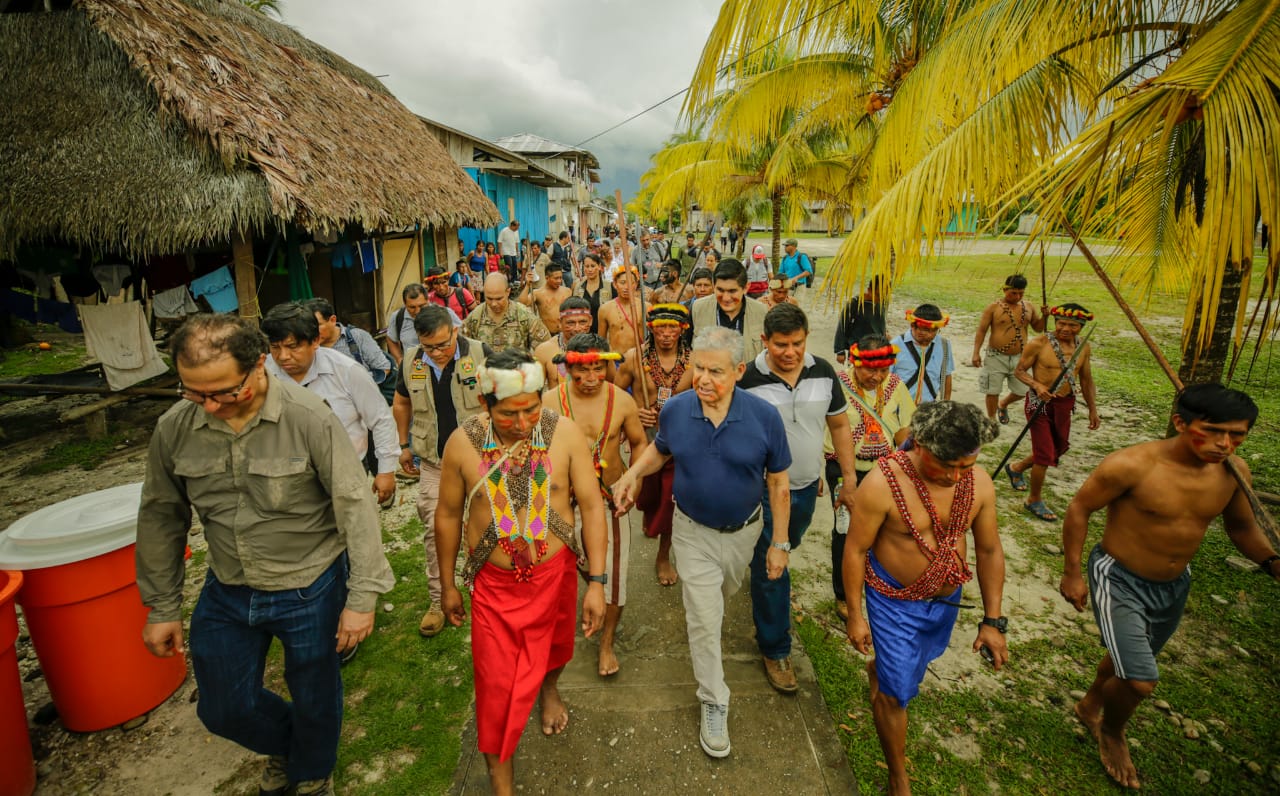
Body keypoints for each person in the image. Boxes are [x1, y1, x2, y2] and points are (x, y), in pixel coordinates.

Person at [137, 314, 394, 796]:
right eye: (194, 393)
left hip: (310, 585)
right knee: (222, 708)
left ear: (258, 367)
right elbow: (160, 516)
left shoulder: (308, 417)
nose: (210, 406)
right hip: (228, 587)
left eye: (223, 393)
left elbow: (354, 506)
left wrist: (362, 598)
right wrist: (162, 605)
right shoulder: (175, 428)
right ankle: (294, 746)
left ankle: (311, 772)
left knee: (316, 692)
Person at [1059, 384, 1276, 790]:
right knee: (1140, 680)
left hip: (1175, 583)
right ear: (1181, 422)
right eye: (1212, 431)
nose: (1224, 444)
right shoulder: (1131, 465)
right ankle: (1112, 731)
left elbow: (1241, 527)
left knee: (1127, 658)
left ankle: (1089, 705)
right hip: (1118, 576)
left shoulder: (1234, 472)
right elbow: (1080, 508)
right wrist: (1072, 571)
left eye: (1237, 435)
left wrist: (1270, 561)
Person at [434, 349, 607, 796]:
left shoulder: (563, 433)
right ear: (485, 405)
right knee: (493, 681)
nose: (524, 421)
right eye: (509, 413)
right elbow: (449, 515)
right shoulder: (462, 443)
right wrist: (448, 585)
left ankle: (549, 690)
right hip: (493, 588)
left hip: (554, 575)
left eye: (532, 408)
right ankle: (500, 776)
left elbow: (590, 505)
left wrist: (599, 583)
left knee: (555, 646)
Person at [613, 327, 792, 759]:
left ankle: (710, 625)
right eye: (698, 368)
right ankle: (714, 699)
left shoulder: (764, 418)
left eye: (716, 371)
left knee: (722, 596)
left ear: (739, 371)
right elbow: (661, 451)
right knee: (704, 619)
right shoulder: (675, 410)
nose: (704, 379)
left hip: (744, 533)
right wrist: (632, 474)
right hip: (691, 532)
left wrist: (779, 542)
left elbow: (779, 483)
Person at [844, 401, 1006, 796]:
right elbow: (855, 550)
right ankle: (898, 778)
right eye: (945, 465)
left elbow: (988, 550)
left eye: (964, 466)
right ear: (919, 445)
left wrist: (993, 620)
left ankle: (882, 674)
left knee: (909, 671)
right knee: (899, 693)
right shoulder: (883, 484)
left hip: (945, 603)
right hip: (894, 602)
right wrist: (855, 615)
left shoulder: (979, 483)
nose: (954, 476)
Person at [739, 304, 858, 693]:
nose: (790, 352)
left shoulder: (823, 371)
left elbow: (838, 425)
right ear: (764, 341)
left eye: (797, 343)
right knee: (774, 562)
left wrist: (849, 478)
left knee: (782, 550)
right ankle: (775, 647)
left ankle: (762, 577)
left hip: (806, 487)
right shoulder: (748, 378)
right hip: (761, 489)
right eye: (781, 345)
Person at [392, 306, 494, 638]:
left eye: (442, 344)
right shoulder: (412, 361)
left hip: (480, 460)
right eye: (429, 346)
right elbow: (402, 403)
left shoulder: (479, 353)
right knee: (435, 531)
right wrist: (404, 444)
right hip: (434, 463)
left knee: (489, 526)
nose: (436, 353)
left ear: (454, 330)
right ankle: (439, 599)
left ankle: (488, 594)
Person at [551, 334, 647, 676]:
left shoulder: (622, 401)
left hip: (610, 501)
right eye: (582, 371)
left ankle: (606, 643)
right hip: (562, 504)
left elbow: (639, 443)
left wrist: (632, 481)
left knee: (613, 576)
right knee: (563, 571)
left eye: (598, 369)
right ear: (567, 368)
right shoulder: (549, 402)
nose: (591, 379)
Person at [262, 302, 398, 513]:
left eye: (292, 346)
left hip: (346, 470)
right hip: (287, 473)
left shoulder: (347, 371)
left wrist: (386, 471)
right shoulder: (262, 374)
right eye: (275, 347)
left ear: (315, 341)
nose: (283, 356)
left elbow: (381, 419)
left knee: (349, 531)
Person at [616, 303, 694, 586]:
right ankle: (652, 519)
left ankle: (663, 554)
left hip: (679, 444)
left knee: (670, 501)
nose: (665, 334)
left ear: (682, 329)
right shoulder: (634, 358)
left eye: (672, 327)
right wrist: (635, 408)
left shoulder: (694, 362)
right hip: (645, 441)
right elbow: (615, 392)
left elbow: (706, 400)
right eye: (660, 327)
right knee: (648, 496)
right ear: (651, 329)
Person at [1005, 303, 1100, 522]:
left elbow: (1086, 379)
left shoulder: (1083, 348)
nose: (1065, 328)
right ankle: (1033, 499)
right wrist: (1037, 385)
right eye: (1061, 323)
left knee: (1058, 448)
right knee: (1045, 455)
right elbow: (1019, 371)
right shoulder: (1039, 343)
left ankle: (1016, 468)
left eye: (1072, 325)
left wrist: (1093, 410)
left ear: (1081, 326)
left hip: (1064, 404)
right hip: (1038, 404)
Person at [972, 274, 1048, 423]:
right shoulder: (993, 308)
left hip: (1020, 357)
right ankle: (992, 420)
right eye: (1014, 293)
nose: (1017, 296)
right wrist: (976, 353)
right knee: (992, 391)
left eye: (1021, 293)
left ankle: (1004, 404)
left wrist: (1045, 317)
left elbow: (1038, 329)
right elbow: (981, 330)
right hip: (995, 356)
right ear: (1005, 290)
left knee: (1022, 390)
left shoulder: (1029, 307)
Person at [689, 259, 767, 362]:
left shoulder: (761, 312)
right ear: (713, 285)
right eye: (720, 290)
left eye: (732, 291)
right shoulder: (698, 308)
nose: (726, 298)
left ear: (746, 288)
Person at [306, 298, 391, 388]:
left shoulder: (357, 336)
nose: (313, 331)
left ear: (333, 320)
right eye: (309, 326)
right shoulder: (306, 345)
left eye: (318, 325)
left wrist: (355, 384)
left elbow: (383, 368)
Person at [463, 273, 551, 352]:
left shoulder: (523, 315)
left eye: (499, 299)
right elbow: (461, 349)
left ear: (508, 292)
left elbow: (547, 348)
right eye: (489, 298)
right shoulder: (475, 317)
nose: (493, 304)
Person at [891, 304, 955, 405]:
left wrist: (946, 404)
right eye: (924, 331)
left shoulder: (944, 346)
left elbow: (946, 375)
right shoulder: (895, 345)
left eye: (933, 331)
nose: (929, 335)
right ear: (913, 326)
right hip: (898, 407)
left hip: (928, 408)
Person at [533, 297, 596, 390]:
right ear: (560, 322)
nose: (577, 328)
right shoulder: (544, 351)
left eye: (583, 322)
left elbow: (611, 389)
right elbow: (535, 390)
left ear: (590, 321)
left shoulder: (601, 349)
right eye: (570, 323)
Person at [833, 278, 887, 365]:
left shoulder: (881, 304)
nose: (880, 298)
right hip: (858, 349)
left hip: (876, 349)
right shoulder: (855, 304)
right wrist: (840, 351)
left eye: (884, 295)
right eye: (877, 294)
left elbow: (881, 324)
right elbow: (842, 326)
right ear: (869, 290)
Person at [597, 266, 647, 357]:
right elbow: (601, 341)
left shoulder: (646, 306)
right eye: (622, 283)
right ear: (615, 284)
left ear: (636, 284)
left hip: (640, 359)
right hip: (617, 361)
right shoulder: (605, 309)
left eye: (631, 283)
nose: (626, 287)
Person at [518, 262, 572, 335]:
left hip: (566, 333)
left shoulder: (567, 291)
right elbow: (522, 303)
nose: (559, 281)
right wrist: (527, 285)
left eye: (560, 278)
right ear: (547, 278)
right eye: (556, 278)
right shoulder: (538, 293)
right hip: (548, 335)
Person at [570, 252, 613, 334]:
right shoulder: (577, 287)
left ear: (599, 266)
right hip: (582, 334)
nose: (590, 270)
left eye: (593, 266)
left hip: (604, 333)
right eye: (587, 266)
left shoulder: (609, 287)